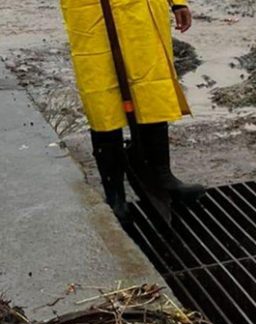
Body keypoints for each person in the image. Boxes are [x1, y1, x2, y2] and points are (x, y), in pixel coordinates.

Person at [60, 0, 205, 219]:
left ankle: (163, 177)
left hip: (141, 12)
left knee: (151, 91)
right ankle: (115, 193)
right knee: (102, 97)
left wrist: (177, 3)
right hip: (92, 13)